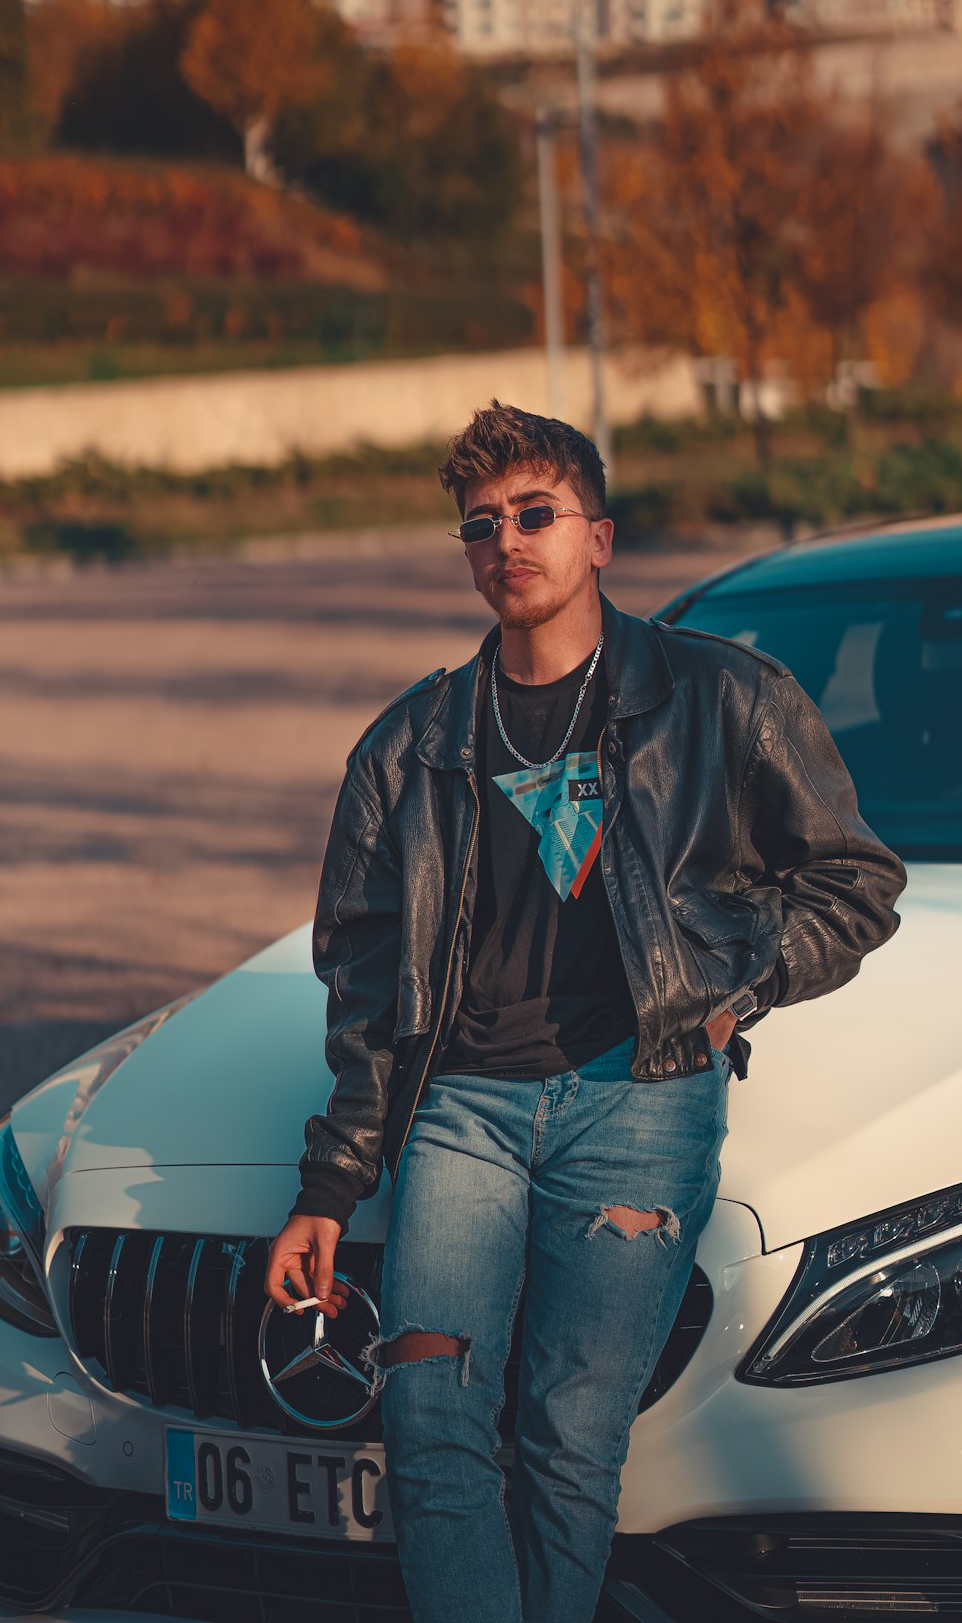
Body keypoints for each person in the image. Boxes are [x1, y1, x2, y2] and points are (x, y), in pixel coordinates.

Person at [266, 402, 906, 1623]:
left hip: (641, 1103)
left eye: (534, 513)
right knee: (428, 1416)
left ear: (599, 537)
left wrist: (739, 983)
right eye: (479, 524)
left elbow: (855, 879)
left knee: (569, 1434)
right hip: (463, 1109)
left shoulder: (724, 699)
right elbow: (362, 981)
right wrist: (330, 1183)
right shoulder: (409, 746)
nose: (505, 538)